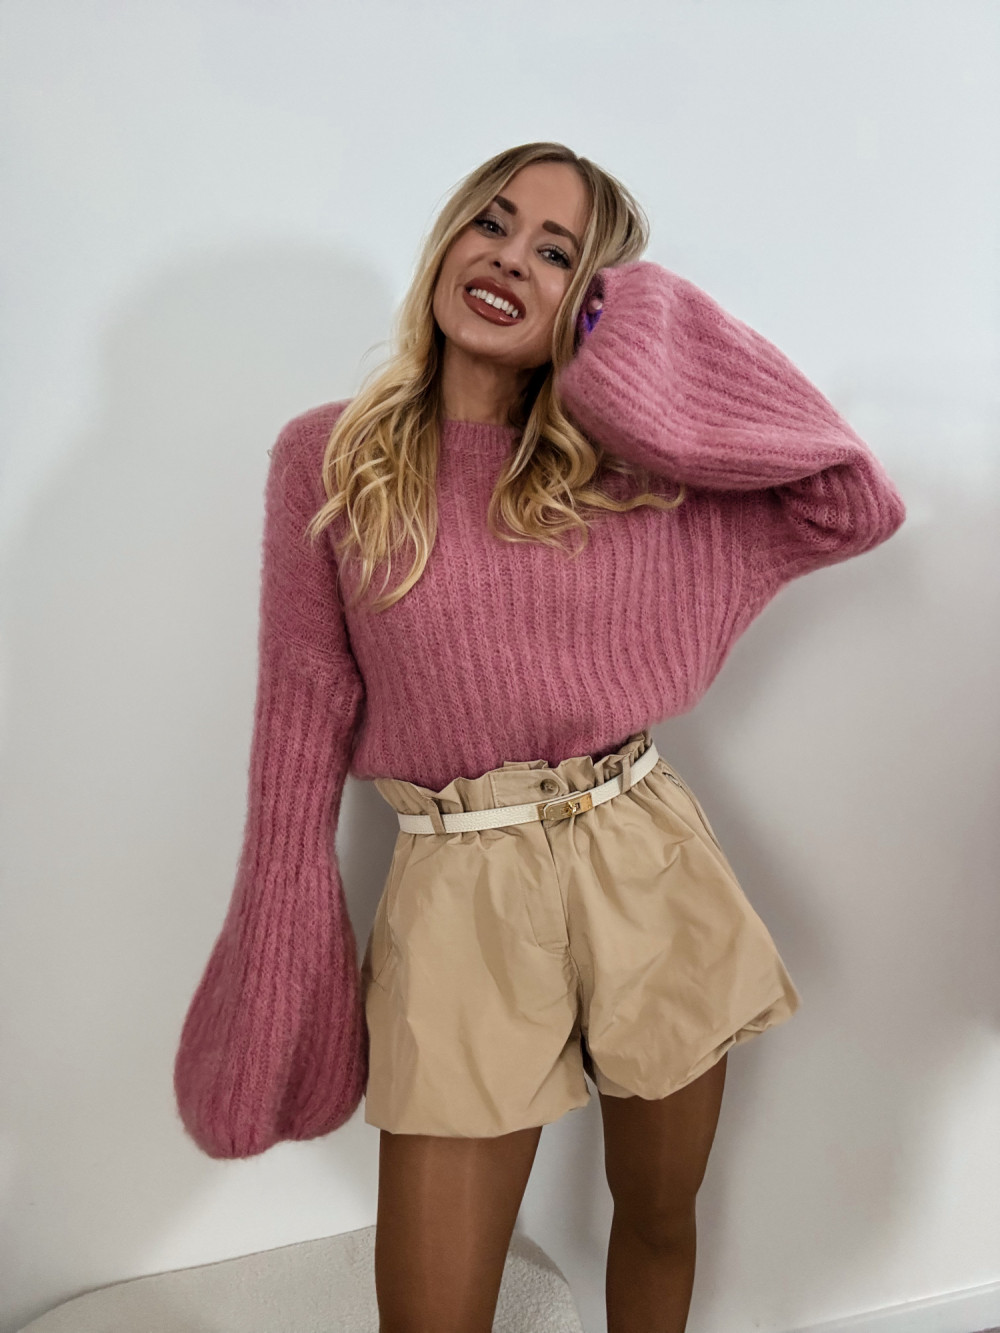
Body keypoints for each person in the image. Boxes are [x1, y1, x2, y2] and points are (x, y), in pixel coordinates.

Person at [173, 141, 906, 1332]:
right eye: (494, 222)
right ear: (449, 238)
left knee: (657, 1217)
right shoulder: (333, 456)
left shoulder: (626, 471)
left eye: (557, 254)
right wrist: (279, 952)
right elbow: (298, 721)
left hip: (644, 858)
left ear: (592, 300)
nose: (509, 258)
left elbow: (847, 497)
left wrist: (642, 341)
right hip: (459, 889)